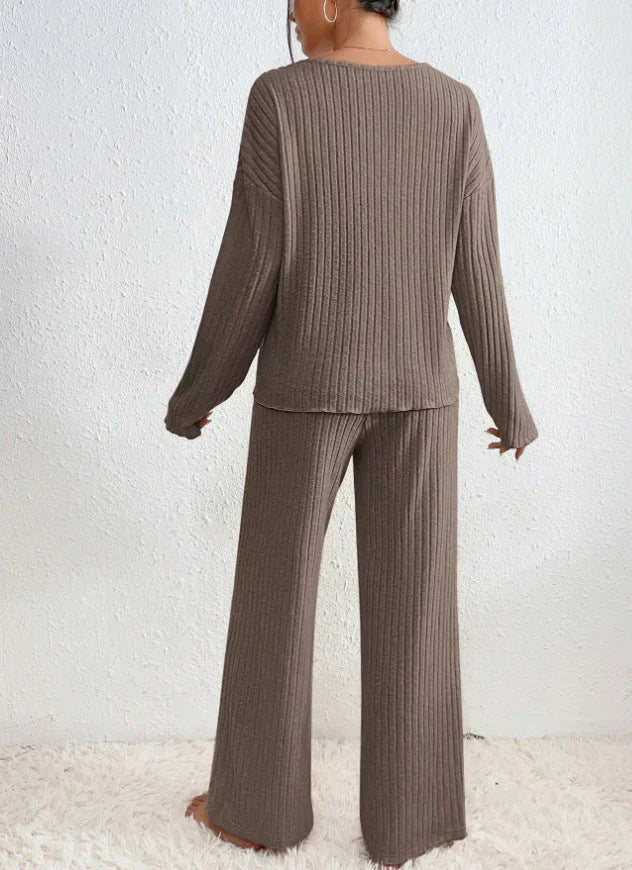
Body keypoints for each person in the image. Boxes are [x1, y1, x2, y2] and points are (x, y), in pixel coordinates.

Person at [165, 0, 539, 866]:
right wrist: (508, 400)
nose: (292, 15)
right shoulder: (454, 104)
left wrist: (200, 391)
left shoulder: (282, 98)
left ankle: (255, 814)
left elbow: (251, 261)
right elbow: (477, 263)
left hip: (307, 389)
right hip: (421, 396)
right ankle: (412, 827)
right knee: (418, 612)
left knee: (274, 602)